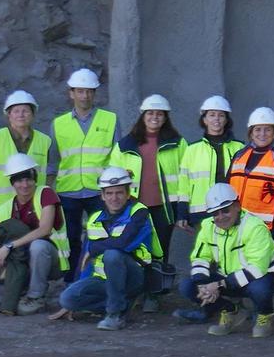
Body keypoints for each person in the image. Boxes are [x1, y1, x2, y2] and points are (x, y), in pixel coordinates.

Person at [55, 166, 156, 330]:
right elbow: (85, 261)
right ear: (102, 195)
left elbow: (123, 243)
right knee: (68, 299)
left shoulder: (139, 213)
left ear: (128, 193)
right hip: (103, 279)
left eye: (119, 193)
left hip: (134, 277)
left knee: (112, 254)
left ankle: (115, 314)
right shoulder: (94, 218)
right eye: (109, 193)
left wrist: (94, 248)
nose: (114, 198)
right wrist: (78, 288)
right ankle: (122, 304)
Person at [0, 152, 60, 315]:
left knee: (38, 246)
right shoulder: (5, 209)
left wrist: (8, 246)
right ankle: (14, 288)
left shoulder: (45, 194)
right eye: (19, 180)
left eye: (28, 179)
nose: (25, 184)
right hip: (19, 261)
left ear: (34, 179)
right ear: (12, 183)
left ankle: (36, 296)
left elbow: (45, 229)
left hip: (50, 259)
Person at [116, 94, 187, 310]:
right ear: (143, 116)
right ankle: (135, 291)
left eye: (159, 114)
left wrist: (182, 210)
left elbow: (185, 175)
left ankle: (153, 295)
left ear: (165, 117)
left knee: (159, 250)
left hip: (164, 207)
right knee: (134, 248)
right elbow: (115, 174)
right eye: (150, 113)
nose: (154, 117)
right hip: (135, 207)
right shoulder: (126, 144)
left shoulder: (177, 143)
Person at [182, 183, 274, 337]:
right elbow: (200, 257)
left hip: (261, 276)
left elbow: (257, 268)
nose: (220, 217)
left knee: (260, 290)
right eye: (215, 213)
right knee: (188, 286)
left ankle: (265, 315)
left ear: (237, 206)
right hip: (228, 278)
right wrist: (203, 285)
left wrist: (219, 285)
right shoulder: (208, 226)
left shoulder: (255, 226)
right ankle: (230, 311)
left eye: (225, 210)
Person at [49, 67, 116, 276]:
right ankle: (72, 281)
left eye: (89, 91)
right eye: (80, 91)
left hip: (99, 191)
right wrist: (49, 190)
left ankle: (93, 279)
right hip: (68, 191)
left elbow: (117, 157)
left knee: (98, 236)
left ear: (94, 94)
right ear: (72, 93)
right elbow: (53, 160)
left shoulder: (110, 120)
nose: (85, 96)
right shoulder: (59, 124)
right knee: (69, 238)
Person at [0, 89, 53, 241]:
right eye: (16, 111)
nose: (21, 115)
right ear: (9, 115)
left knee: (28, 248)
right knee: (1, 250)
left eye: (25, 111)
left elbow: (49, 172)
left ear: (33, 114)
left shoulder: (44, 141)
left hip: (32, 206)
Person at [228, 107, 274, 240]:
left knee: (262, 260)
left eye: (267, 129)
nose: (262, 134)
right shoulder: (239, 155)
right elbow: (227, 184)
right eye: (257, 129)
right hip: (238, 221)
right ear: (251, 133)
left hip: (266, 225)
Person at [180, 96, 243, 225]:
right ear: (204, 119)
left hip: (230, 209)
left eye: (221, 115)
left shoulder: (240, 148)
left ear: (226, 120)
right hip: (202, 211)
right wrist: (182, 214)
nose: (216, 119)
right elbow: (183, 185)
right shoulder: (192, 150)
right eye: (212, 115)